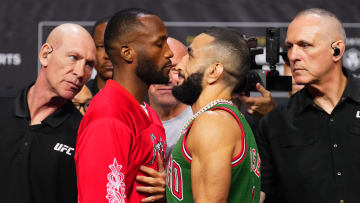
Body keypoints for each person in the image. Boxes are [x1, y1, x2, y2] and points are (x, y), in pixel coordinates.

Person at [256, 8, 360, 203]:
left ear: (336, 50)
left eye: (305, 45)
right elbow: (262, 192)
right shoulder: (275, 123)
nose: (293, 56)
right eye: (289, 46)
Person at [75, 8, 173, 203]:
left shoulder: (147, 113)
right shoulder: (108, 116)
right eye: (159, 44)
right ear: (128, 53)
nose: (169, 53)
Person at [0, 23, 96, 203]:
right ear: (45, 55)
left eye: (89, 65)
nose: (80, 72)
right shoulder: (3, 104)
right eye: (73, 57)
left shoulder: (83, 135)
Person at [166, 27, 261, 203]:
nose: (179, 65)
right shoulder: (229, 119)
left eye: (191, 55)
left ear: (214, 71)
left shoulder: (212, 123)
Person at [148, 37, 193, 162]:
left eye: (175, 69)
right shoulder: (132, 122)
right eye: (159, 68)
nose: (166, 79)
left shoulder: (201, 122)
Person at [86, 16, 113, 95]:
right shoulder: (79, 97)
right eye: (101, 46)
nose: (107, 55)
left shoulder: (146, 97)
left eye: (113, 47)